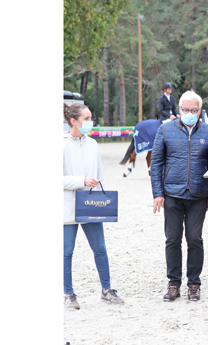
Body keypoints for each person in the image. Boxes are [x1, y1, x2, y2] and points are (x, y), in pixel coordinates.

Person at [150, 90, 208, 302]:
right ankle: (173, 283)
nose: (190, 113)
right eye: (186, 109)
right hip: (172, 193)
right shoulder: (165, 129)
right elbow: (156, 163)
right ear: (179, 109)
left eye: (194, 110)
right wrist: (157, 193)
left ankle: (194, 283)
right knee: (172, 239)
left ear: (200, 111)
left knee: (194, 238)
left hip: (199, 193)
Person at [63, 103, 124, 310]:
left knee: (100, 249)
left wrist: (103, 202)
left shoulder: (93, 144)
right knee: (66, 251)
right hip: (68, 205)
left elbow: (100, 176)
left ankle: (106, 290)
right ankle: (68, 293)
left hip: (90, 204)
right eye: (87, 119)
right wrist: (82, 180)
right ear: (74, 121)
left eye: (91, 118)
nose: (91, 122)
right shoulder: (60, 144)